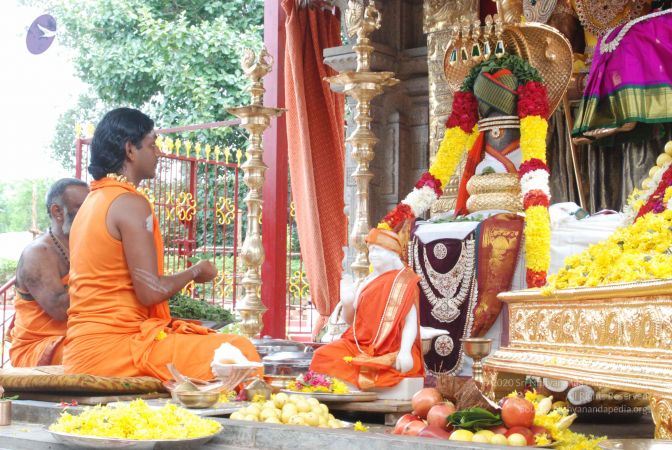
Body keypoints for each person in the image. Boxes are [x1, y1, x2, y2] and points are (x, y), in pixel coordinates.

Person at [63, 108, 259, 382]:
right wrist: (196, 271)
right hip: (115, 350)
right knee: (239, 351)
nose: (159, 153)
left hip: (84, 348)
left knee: (211, 344)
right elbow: (151, 291)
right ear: (130, 150)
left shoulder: (92, 202)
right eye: (152, 144)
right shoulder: (129, 203)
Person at [310, 228, 425, 390]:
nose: (373, 255)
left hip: (392, 348)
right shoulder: (365, 282)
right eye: (371, 250)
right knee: (322, 355)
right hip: (358, 345)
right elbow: (352, 322)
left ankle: (365, 376)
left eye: (378, 250)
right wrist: (347, 303)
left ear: (393, 254)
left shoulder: (404, 282)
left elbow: (411, 322)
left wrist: (405, 351)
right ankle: (358, 377)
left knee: (399, 366)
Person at [10, 178, 89, 367]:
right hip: (39, 348)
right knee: (99, 352)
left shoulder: (84, 245)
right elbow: (60, 309)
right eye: (82, 208)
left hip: (78, 337)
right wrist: (104, 277)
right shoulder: (38, 253)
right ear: (57, 212)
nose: (91, 214)